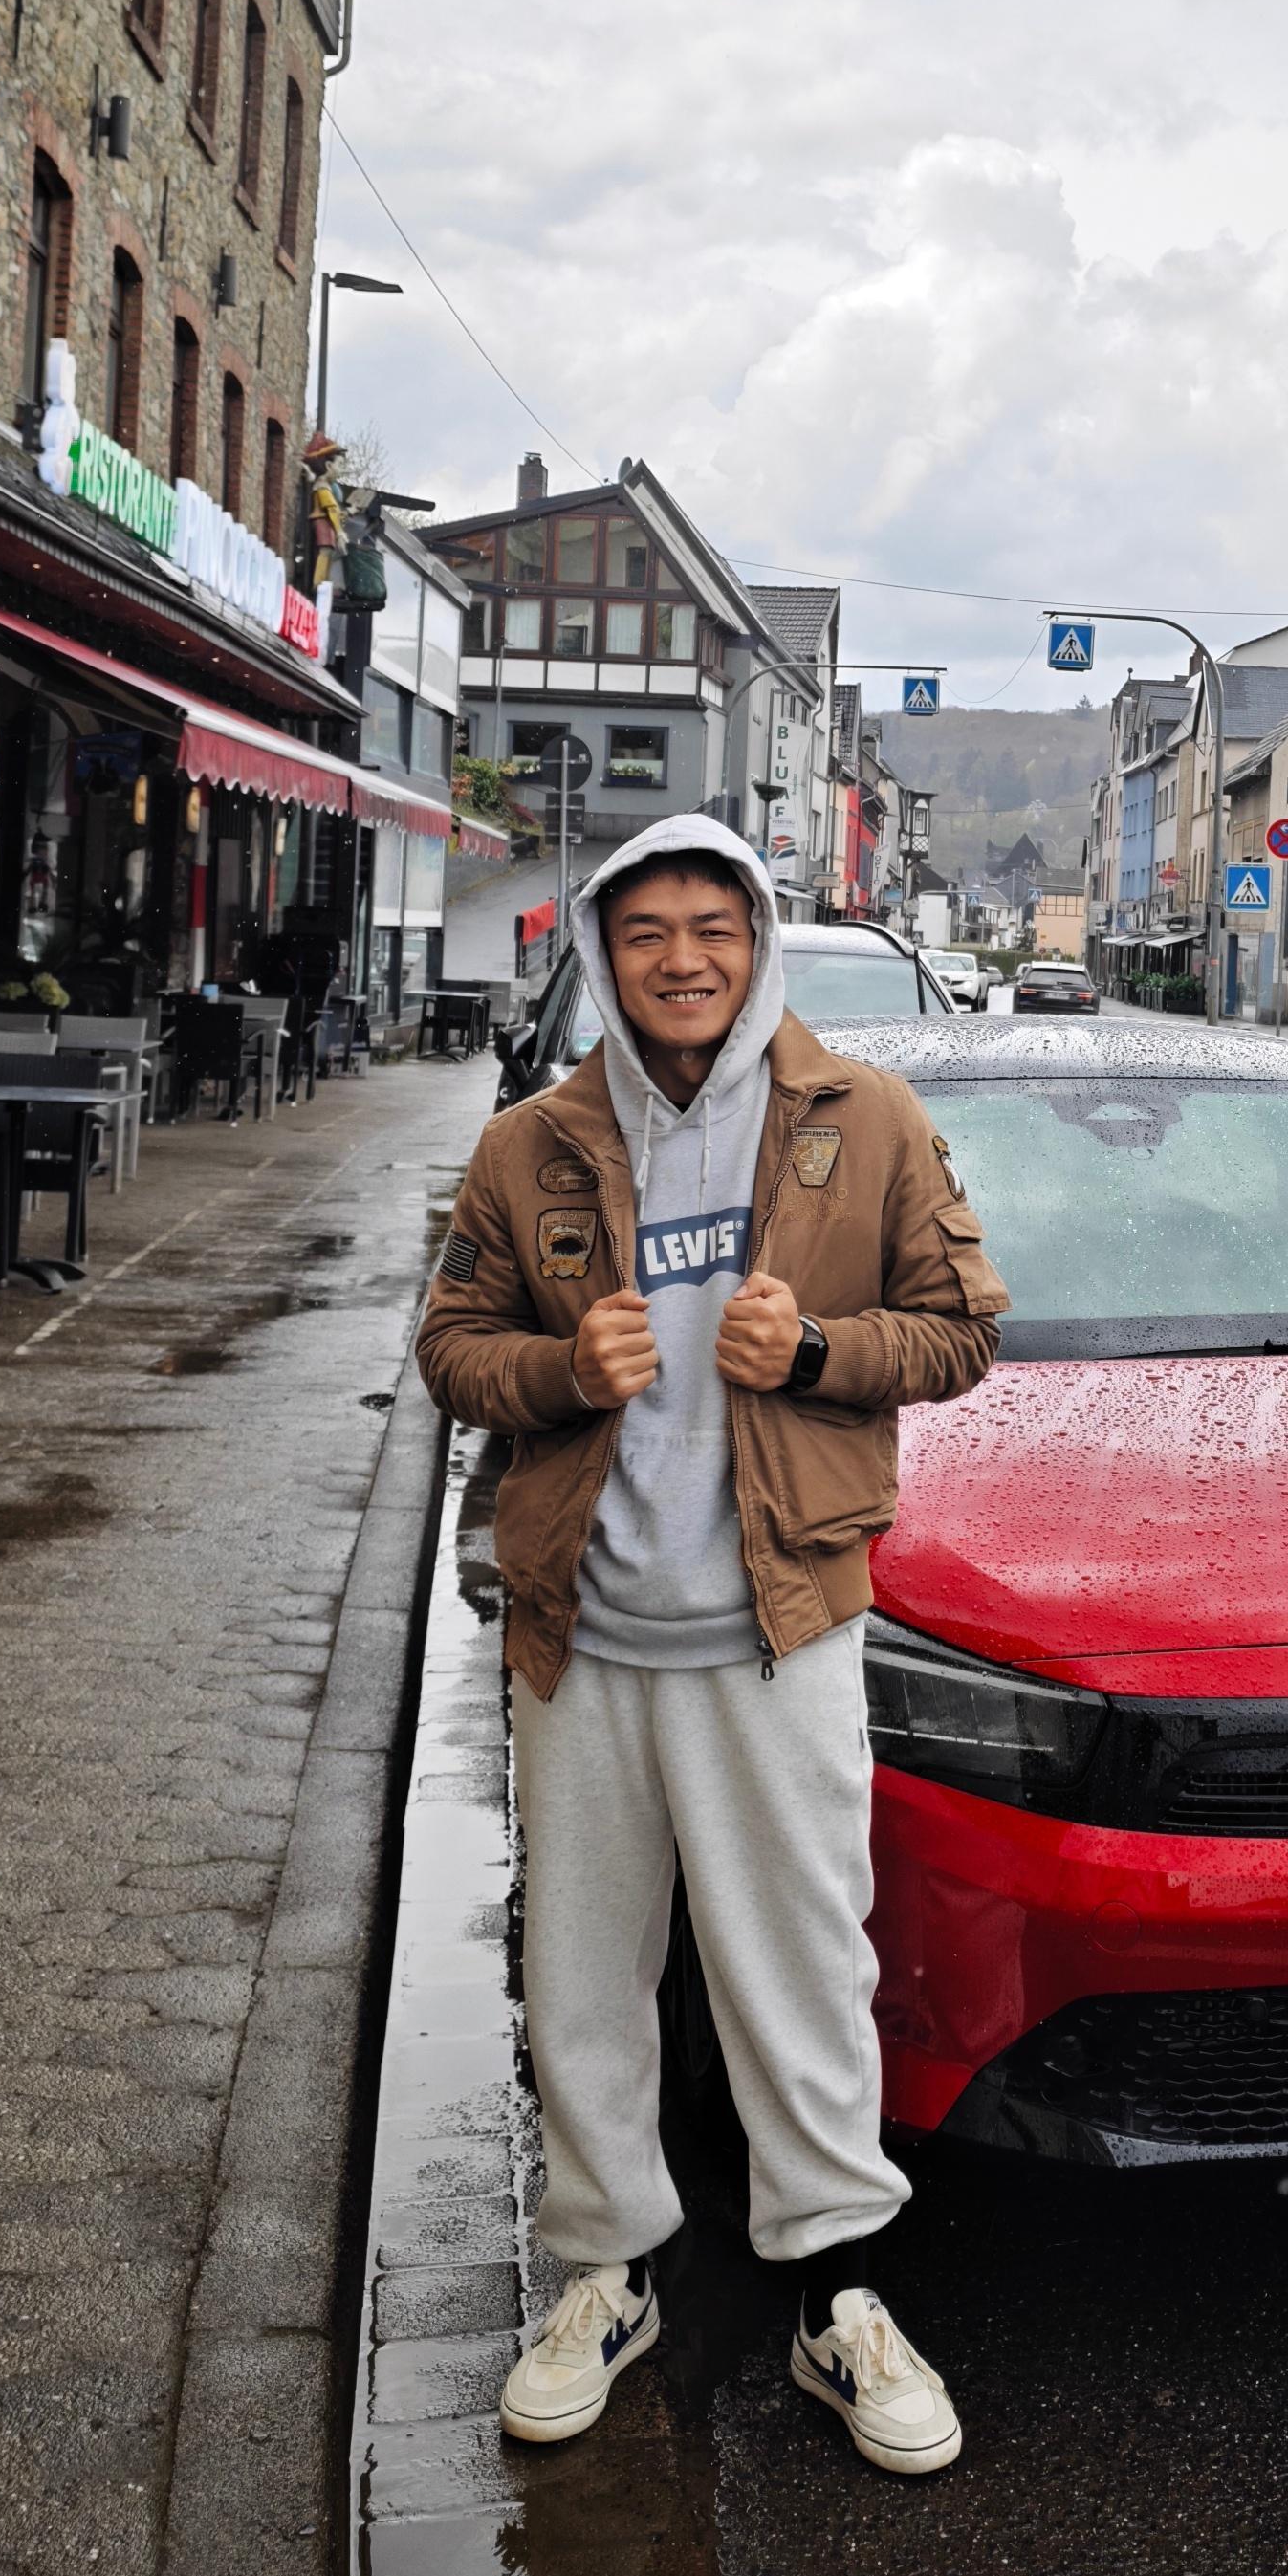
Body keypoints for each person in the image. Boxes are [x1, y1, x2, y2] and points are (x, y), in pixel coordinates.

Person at [416, 812, 1007, 2476]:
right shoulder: (534, 1143)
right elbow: (451, 1342)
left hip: (781, 1622)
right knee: (585, 1968)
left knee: (802, 1962)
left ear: (756, 943)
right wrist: (559, 1374)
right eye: (649, 930)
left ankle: (837, 2289)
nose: (684, 958)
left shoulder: (861, 1119)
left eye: (715, 928)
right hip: (585, 1629)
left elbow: (963, 1331)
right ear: (605, 954)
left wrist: (816, 1348)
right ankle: (606, 2270)